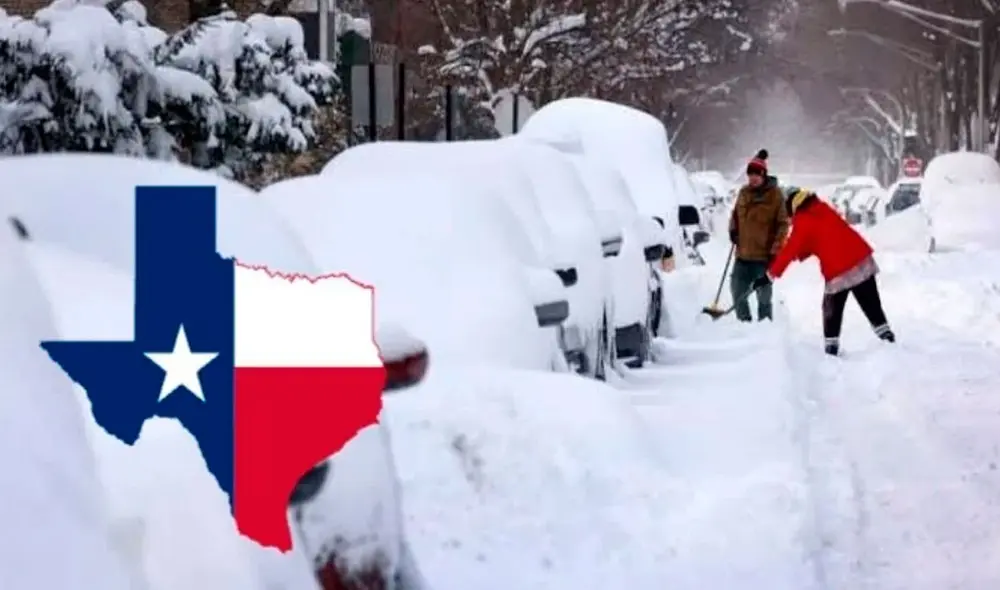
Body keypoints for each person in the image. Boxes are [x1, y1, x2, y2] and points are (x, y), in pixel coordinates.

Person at [751, 186, 896, 356]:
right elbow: (817, 238)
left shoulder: (803, 219)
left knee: (831, 311)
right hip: (861, 261)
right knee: (872, 306)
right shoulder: (820, 207)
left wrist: (770, 275)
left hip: (839, 269)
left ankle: (831, 350)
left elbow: (791, 249)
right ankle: (889, 343)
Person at [728, 149, 788, 322]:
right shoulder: (744, 193)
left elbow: (783, 224)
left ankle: (765, 330)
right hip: (742, 255)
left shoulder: (775, 195)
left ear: (763, 175)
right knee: (737, 292)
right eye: (750, 174)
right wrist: (733, 230)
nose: (753, 178)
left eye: (756, 174)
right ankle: (745, 325)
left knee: (764, 297)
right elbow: (735, 215)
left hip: (763, 257)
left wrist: (775, 249)